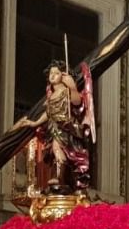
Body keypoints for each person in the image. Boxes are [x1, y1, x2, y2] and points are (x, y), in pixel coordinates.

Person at [12, 62, 95, 194]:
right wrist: (35, 123)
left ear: (63, 76)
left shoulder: (66, 92)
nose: (53, 75)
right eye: (51, 73)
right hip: (53, 127)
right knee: (53, 152)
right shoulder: (51, 96)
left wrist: (72, 87)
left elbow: (77, 101)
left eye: (56, 73)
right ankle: (59, 176)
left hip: (65, 127)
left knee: (57, 148)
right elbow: (48, 113)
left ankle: (59, 176)